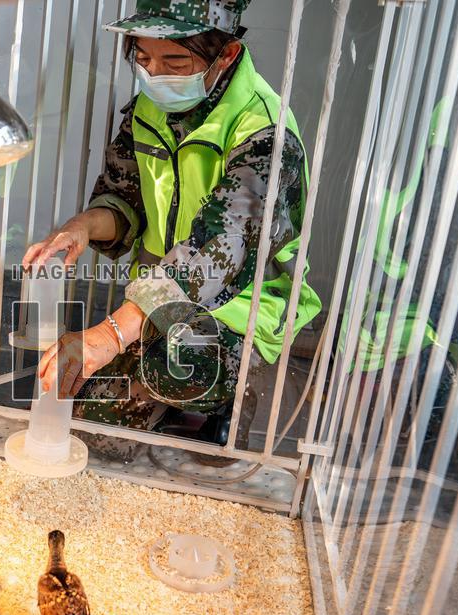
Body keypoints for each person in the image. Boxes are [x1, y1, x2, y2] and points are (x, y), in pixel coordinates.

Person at [23, 0, 321, 462]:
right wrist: (80, 228)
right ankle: (161, 394)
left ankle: (231, 398)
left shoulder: (264, 130)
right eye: (143, 58)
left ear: (226, 55)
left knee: (179, 364)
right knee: (94, 434)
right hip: (151, 307)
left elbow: (221, 251)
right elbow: (125, 197)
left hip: (233, 312)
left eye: (175, 61)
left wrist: (109, 335)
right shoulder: (149, 108)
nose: (156, 73)